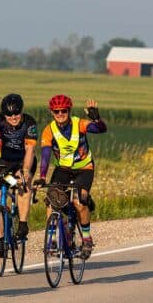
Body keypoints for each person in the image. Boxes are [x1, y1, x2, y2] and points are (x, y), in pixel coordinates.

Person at [38, 95, 107, 259]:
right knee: (52, 200)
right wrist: (42, 176)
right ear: (52, 112)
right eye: (57, 111)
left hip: (84, 168)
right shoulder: (49, 130)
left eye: (64, 111)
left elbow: (101, 129)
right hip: (62, 169)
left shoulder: (79, 124)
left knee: (79, 201)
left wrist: (96, 119)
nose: (60, 114)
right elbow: (46, 155)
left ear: (69, 111)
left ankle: (86, 239)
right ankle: (52, 240)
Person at [0, 92, 38, 247]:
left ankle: (22, 224)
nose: (13, 117)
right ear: (4, 114)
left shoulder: (29, 123)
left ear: (21, 111)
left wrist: (25, 170)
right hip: (3, 161)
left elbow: (30, 149)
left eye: (16, 113)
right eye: (9, 114)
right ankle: (1, 240)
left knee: (22, 183)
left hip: (23, 160)